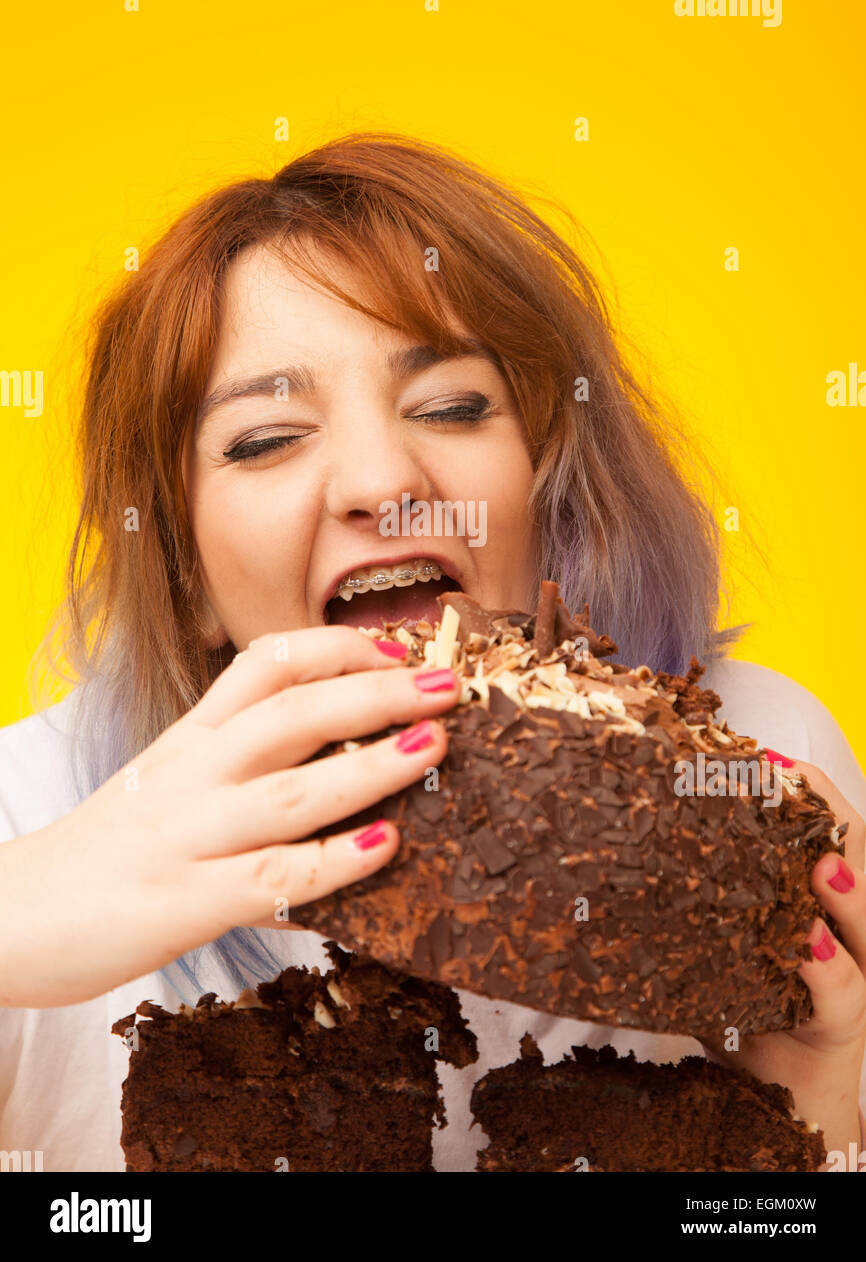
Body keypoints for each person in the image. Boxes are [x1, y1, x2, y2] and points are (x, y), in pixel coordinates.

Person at [1, 132, 863, 1172]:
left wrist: (805, 1114)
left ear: (541, 492)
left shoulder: (747, 765)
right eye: (267, 437)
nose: (381, 478)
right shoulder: (32, 810)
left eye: (451, 407)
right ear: (183, 574)